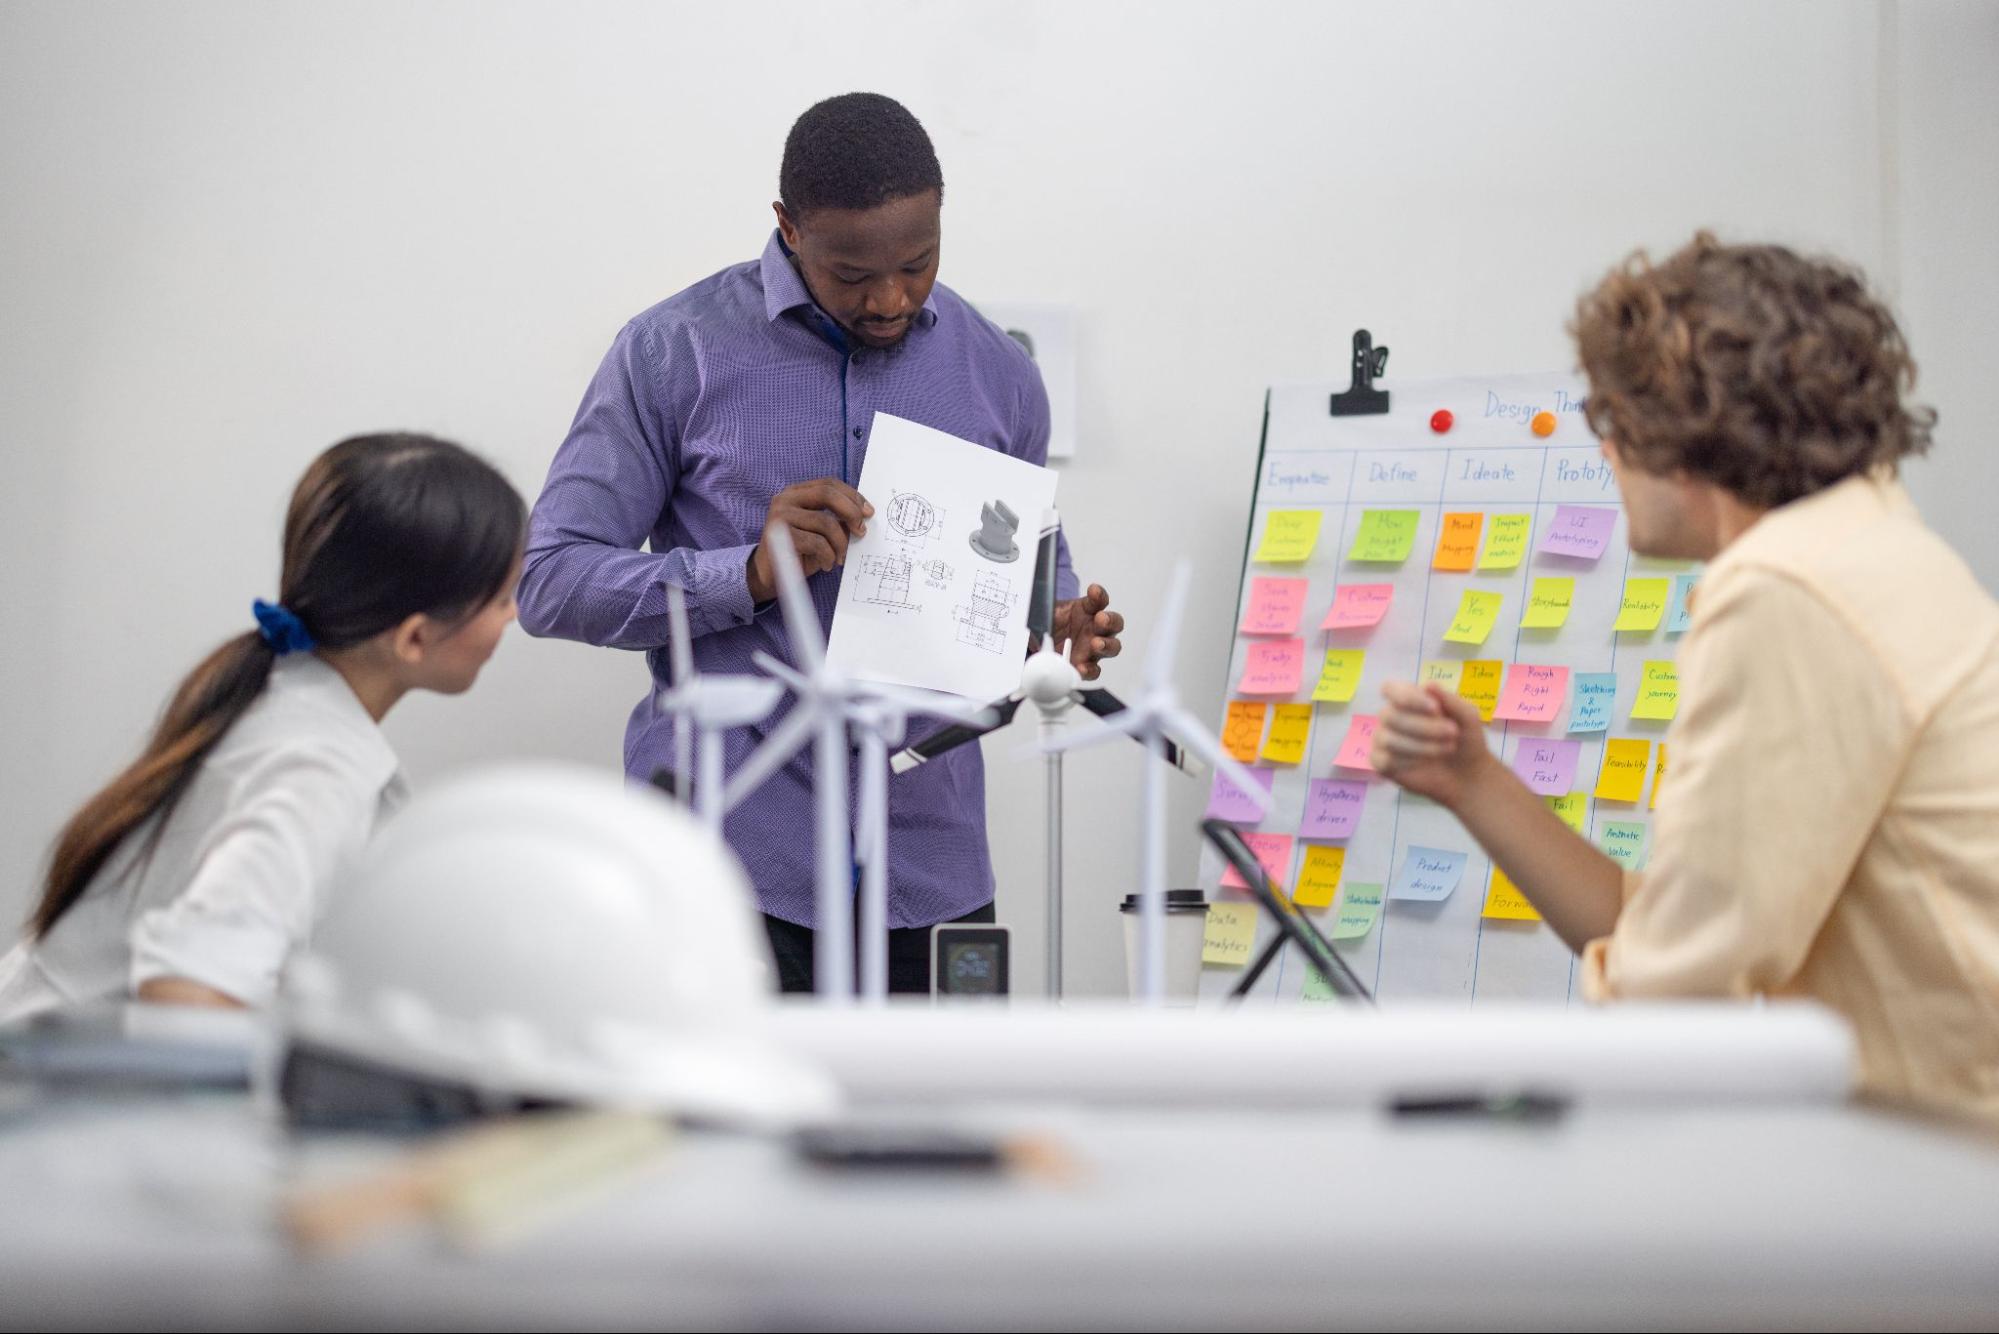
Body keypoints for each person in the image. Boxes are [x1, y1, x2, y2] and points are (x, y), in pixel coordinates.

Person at [1370, 233, 1999, 1117]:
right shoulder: (1870, 544)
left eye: (1606, 420)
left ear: (1682, 416)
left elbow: (1668, 986)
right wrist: (1471, 780)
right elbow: (1664, 930)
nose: (1604, 454)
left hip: (1941, 1167)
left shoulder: (1783, 588)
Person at [518, 92, 1122, 994]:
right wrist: (749, 573)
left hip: (932, 869)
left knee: (941, 1132)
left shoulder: (1000, 374)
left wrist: (1057, 624)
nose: (888, 298)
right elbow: (550, 580)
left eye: (918, 264)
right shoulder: (668, 353)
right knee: (724, 1133)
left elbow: (1030, 590)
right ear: (787, 230)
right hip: (729, 863)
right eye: (850, 273)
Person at [0, 434, 526, 1018]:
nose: (515, 615)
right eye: (504, 598)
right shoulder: (316, 770)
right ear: (415, 638)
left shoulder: (280, 699)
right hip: (50, 1096)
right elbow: (189, 988)